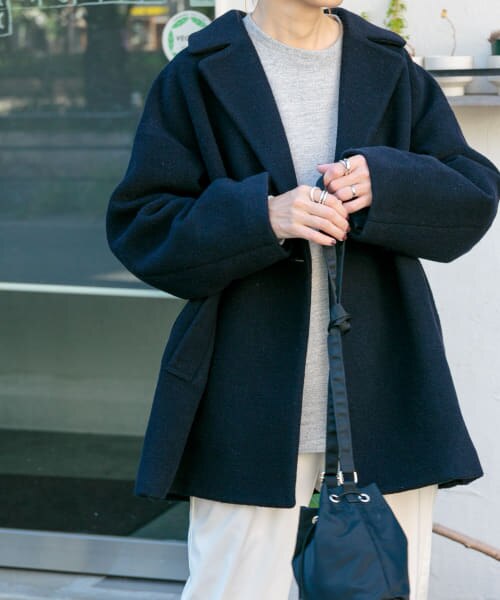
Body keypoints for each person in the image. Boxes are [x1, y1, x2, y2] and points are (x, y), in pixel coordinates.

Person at [106, 1, 500, 599]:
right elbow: (143, 226)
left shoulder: (390, 68)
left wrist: (387, 182)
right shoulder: (197, 74)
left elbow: (473, 195)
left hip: (384, 397)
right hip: (245, 399)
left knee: (381, 589)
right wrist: (261, 216)